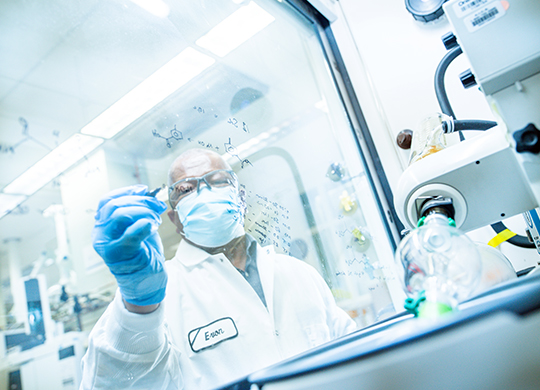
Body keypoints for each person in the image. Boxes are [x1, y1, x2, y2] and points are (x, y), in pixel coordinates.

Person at [80, 148, 357, 390]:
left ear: (241, 198)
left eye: (218, 181)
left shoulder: (298, 273)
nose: (204, 192)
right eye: (186, 189)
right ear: (175, 217)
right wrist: (139, 308)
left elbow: (350, 352)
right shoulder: (159, 296)